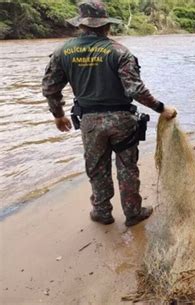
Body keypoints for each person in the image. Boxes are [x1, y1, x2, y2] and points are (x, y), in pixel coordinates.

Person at [42, 0, 177, 227]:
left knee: (97, 167)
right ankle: (133, 213)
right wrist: (162, 108)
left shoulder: (63, 52)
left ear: (81, 25)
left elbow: (49, 88)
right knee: (127, 167)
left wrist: (58, 115)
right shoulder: (119, 52)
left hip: (90, 122)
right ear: (106, 26)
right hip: (123, 121)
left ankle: (102, 212)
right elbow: (135, 89)